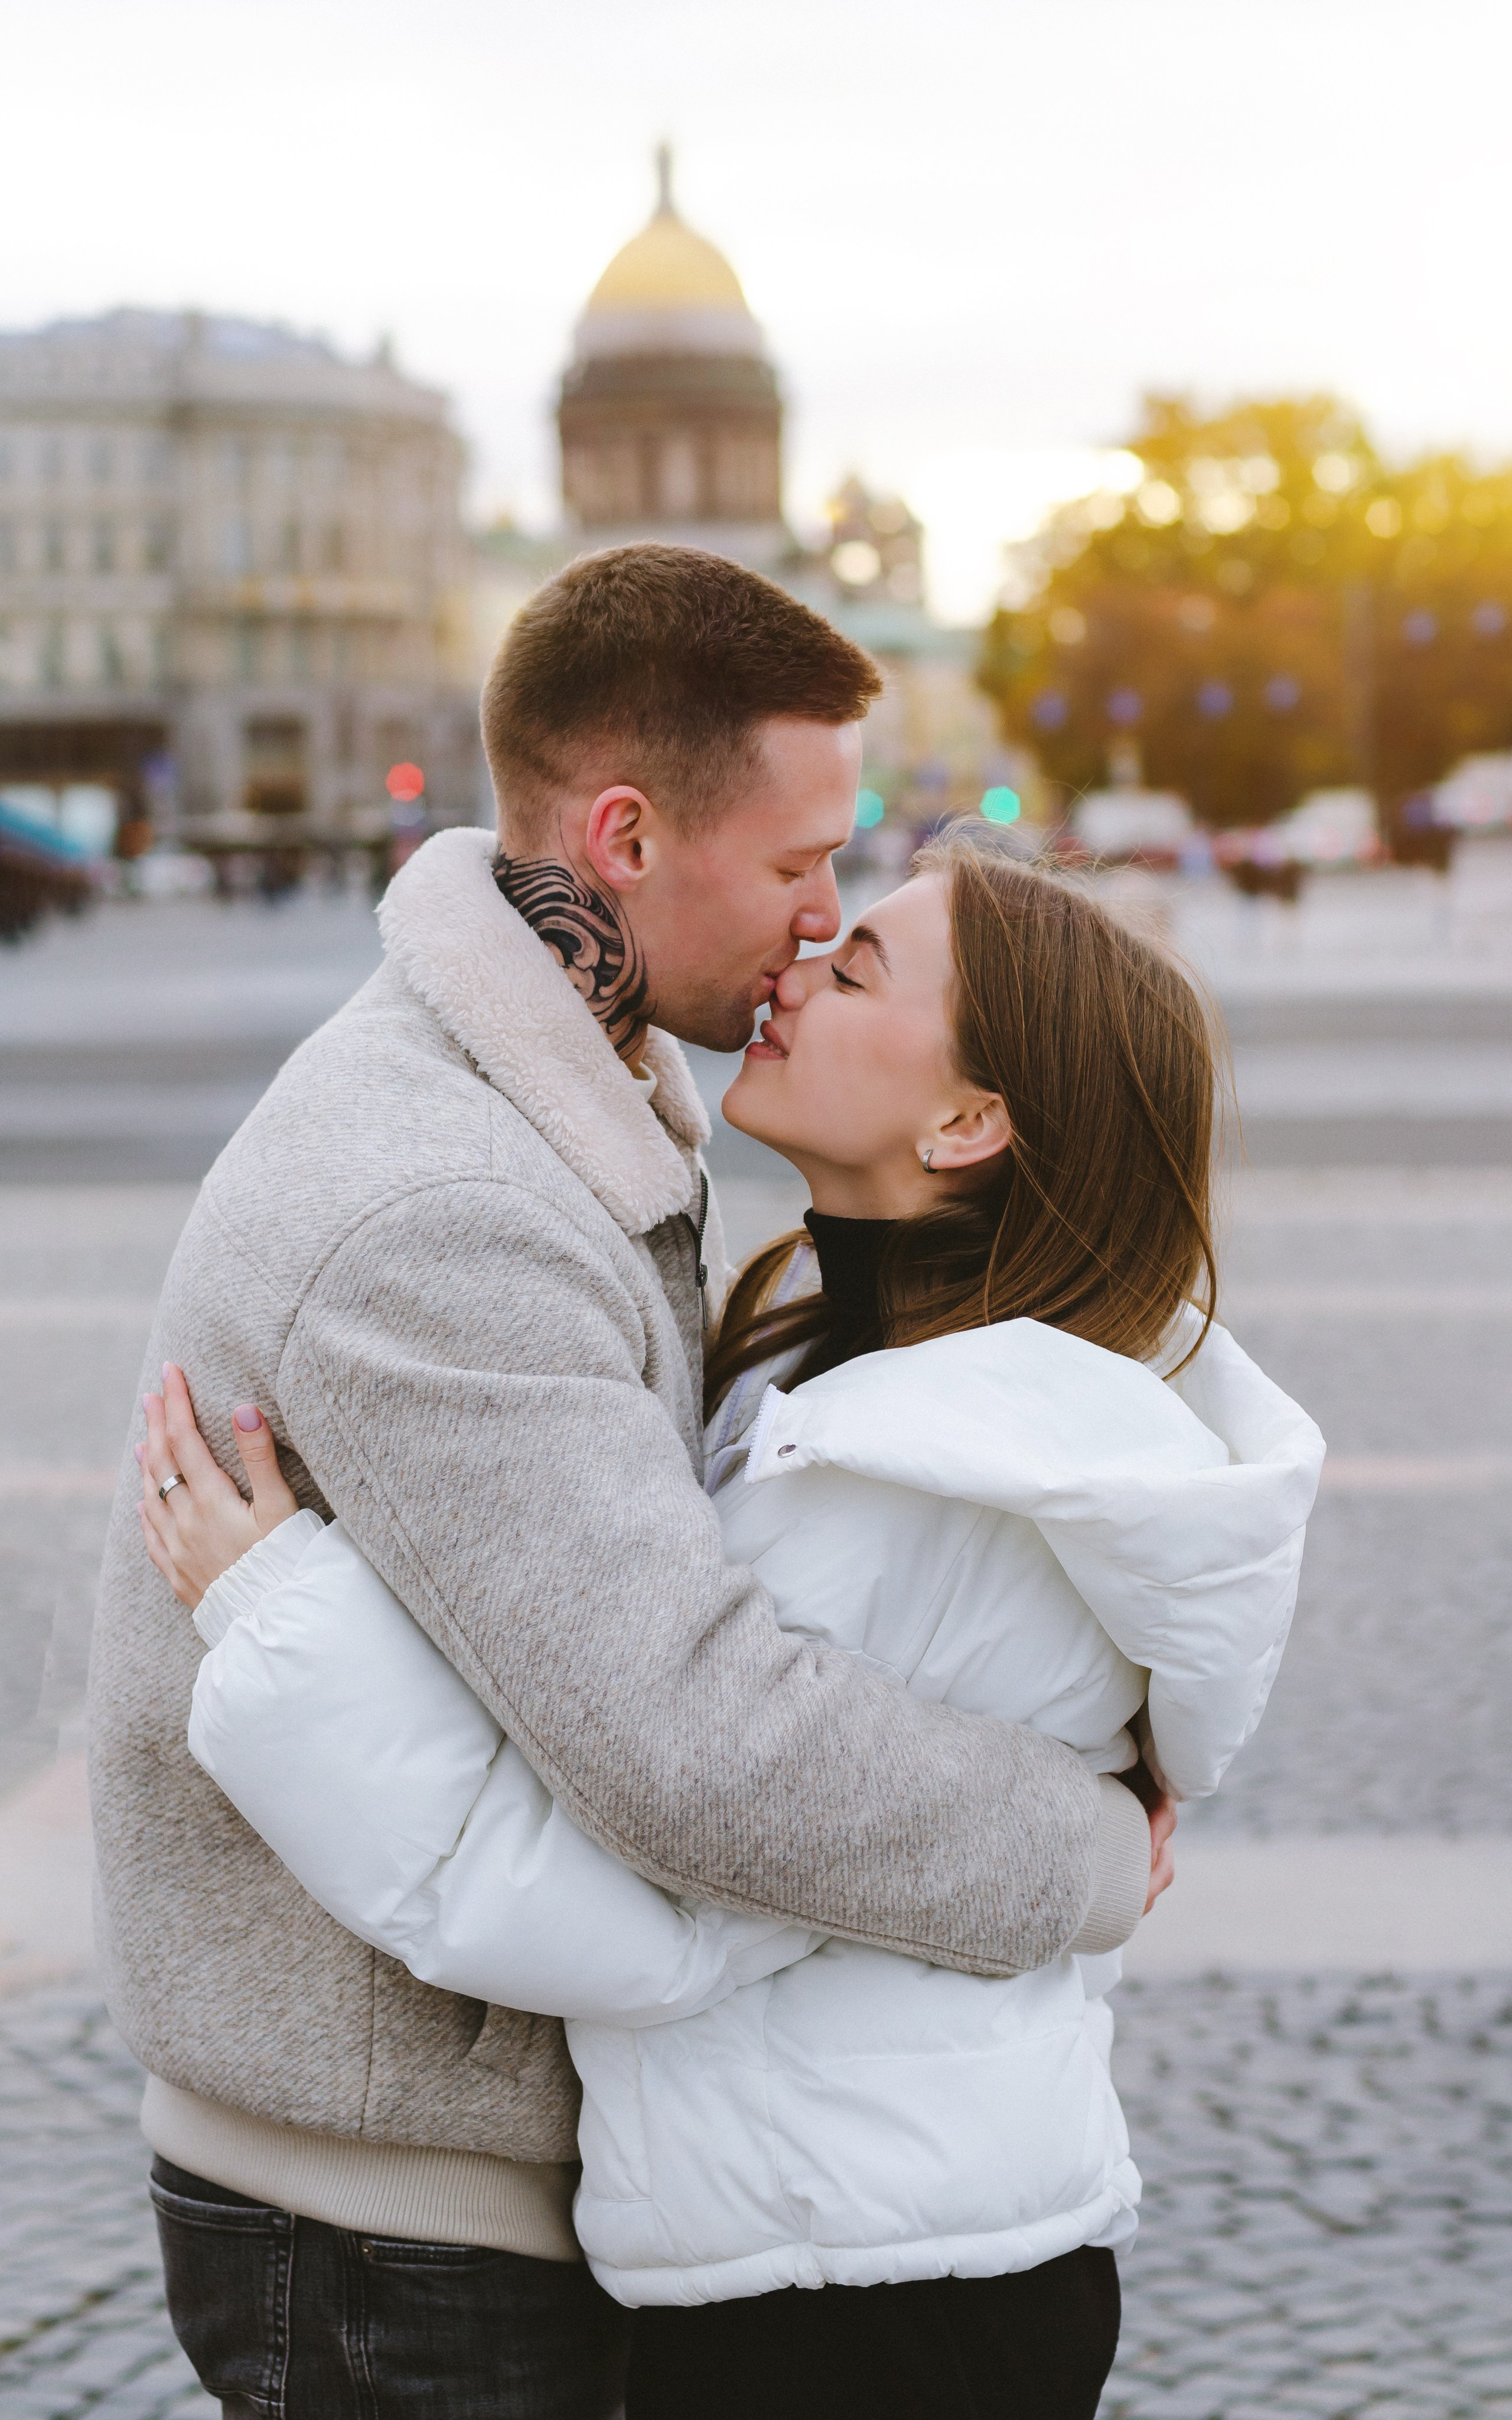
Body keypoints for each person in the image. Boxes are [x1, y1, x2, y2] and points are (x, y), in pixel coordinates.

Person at [90, 547, 1165, 2420]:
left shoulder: (553, 1083)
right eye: (802, 860)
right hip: (396, 2218)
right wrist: (1079, 1850)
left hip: (445, 2167)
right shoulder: (451, 1202)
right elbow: (697, 1746)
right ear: (626, 836)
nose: (826, 917)